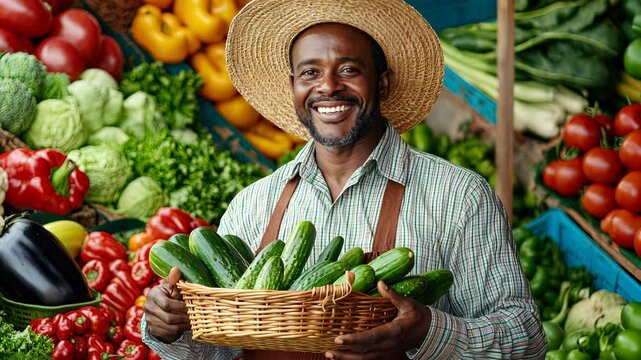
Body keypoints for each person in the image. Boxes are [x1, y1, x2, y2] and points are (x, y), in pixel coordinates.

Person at [142, 0, 547, 358]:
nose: (328, 87)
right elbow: (222, 351)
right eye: (310, 72)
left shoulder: (458, 197)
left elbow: (527, 339)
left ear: (382, 82)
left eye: (349, 69)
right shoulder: (254, 204)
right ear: (294, 87)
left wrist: (428, 332)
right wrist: (171, 330)